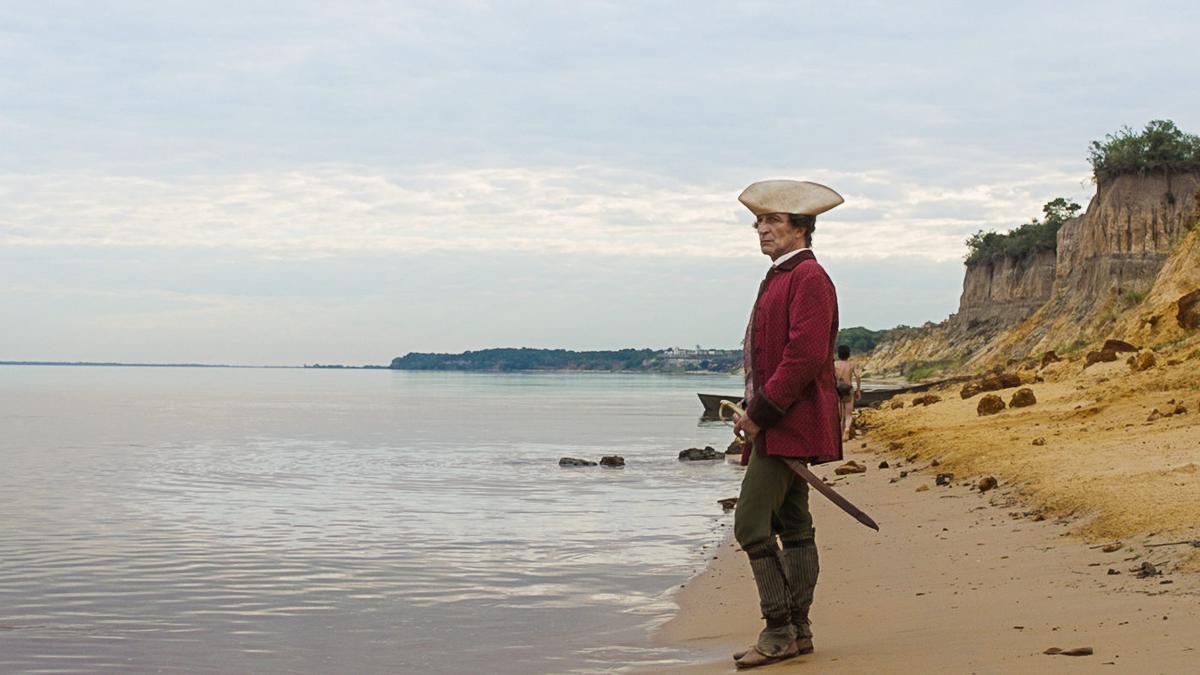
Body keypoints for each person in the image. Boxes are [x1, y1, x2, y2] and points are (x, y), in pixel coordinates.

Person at [730, 179, 843, 669]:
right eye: (759, 221)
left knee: (751, 525)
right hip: (779, 422)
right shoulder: (779, 276)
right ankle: (798, 631)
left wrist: (758, 415)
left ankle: (778, 632)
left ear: (802, 227)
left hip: (787, 424)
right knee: (793, 524)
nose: (762, 228)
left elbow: (804, 357)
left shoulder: (809, 277)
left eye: (773, 220)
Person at [834, 345, 862, 441]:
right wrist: (858, 390)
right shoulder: (851, 364)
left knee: (839, 414)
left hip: (837, 390)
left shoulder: (834, 364)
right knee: (848, 414)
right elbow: (858, 376)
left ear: (839, 354)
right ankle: (847, 429)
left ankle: (840, 434)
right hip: (848, 389)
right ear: (848, 354)